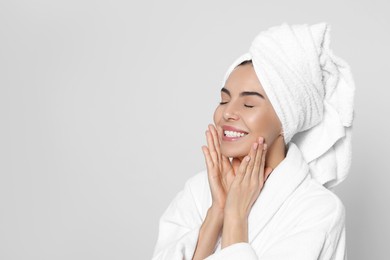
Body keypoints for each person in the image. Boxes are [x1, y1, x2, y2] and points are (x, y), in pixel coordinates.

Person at [152, 22, 355, 260]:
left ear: (285, 119)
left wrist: (235, 217)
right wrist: (216, 212)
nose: (228, 113)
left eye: (249, 104)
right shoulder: (197, 192)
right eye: (223, 100)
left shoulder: (318, 209)